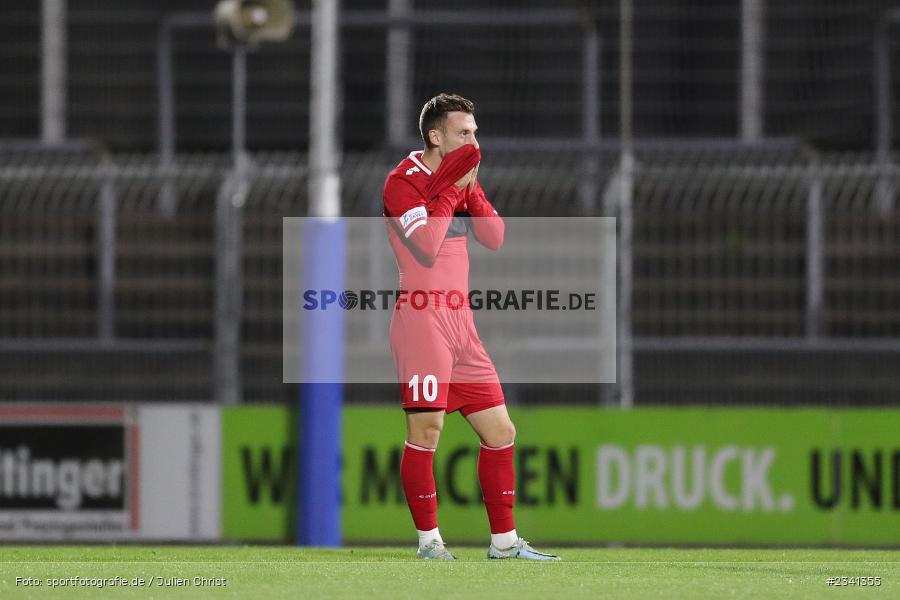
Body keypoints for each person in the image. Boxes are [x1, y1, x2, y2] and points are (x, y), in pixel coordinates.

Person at [381, 93, 560, 561]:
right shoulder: (403, 182)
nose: (474, 142)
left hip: (462, 324)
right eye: (464, 133)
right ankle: (429, 542)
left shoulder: (461, 180)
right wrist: (449, 190)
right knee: (427, 432)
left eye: (475, 133)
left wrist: (471, 190)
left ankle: (504, 543)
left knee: (501, 431)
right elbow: (426, 246)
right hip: (422, 321)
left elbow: (495, 237)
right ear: (435, 136)